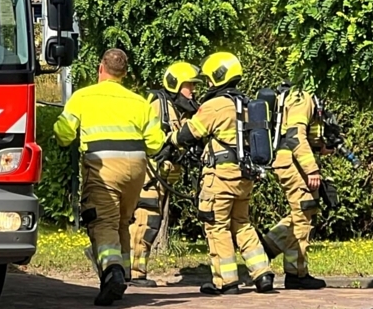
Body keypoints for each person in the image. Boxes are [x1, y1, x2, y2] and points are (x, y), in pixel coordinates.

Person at [53, 48, 166, 305]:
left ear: (100, 69)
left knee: (103, 222)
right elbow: (156, 143)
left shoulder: (83, 97)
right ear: (124, 73)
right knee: (122, 222)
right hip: (136, 169)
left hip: (104, 168)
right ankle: (123, 274)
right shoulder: (139, 102)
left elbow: (63, 134)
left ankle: (112, 272)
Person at [157, 52, 274, 295]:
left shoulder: (215, 105)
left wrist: (169, 140)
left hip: (220, 176)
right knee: (241, 224)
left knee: (216, 225)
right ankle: (262, 273)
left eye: (209, 80)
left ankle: (225, 281)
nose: (207, 85)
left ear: (218, 77)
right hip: (244, 175)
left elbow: (190, 132)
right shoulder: (245, 102)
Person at [128, 62, 201, 287]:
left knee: (152, 221)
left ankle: (130, 269)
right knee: (145, 221)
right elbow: (146, 136)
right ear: (176, 84)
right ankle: (133, 273)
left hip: (165, 177)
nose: (194, 91)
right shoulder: (158, 105)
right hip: (151, 175)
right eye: (190, 86)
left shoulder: (181, 110)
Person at [260, 84, 329, 290]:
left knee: (302, 212)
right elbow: (295, 135)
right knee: (302, 214)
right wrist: (311, 168)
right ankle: (296, 273)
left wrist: (321, 146)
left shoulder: (301, 96)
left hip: (289, 160)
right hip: (293, 162)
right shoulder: (302, 97)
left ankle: (270, 244)